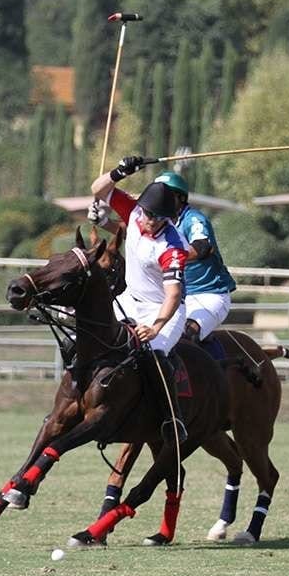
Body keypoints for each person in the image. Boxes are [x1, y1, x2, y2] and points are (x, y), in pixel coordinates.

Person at [90, 156, 189, 442]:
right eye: (145, 213)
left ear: (166, 219)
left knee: (154, 355)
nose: (147, 221)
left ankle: (172, 417)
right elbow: (98, 189)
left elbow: (173, 294)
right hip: (129, 299)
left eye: (155, 218)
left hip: (163, 311)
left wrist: (156, 327)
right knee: (92, 331)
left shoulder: (172, 247)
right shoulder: (135, 212)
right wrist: (120, 171)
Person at [153, 171, 236, 346]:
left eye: (167, 196)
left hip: (210, 294)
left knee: (186, 335)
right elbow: (128, 232)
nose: (161, 200)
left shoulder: (194, 219)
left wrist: (171, 258)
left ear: (180, 198)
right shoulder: (159, 222)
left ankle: (211, 372)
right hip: (177, 296)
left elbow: (203, 247)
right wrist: (104, 220)